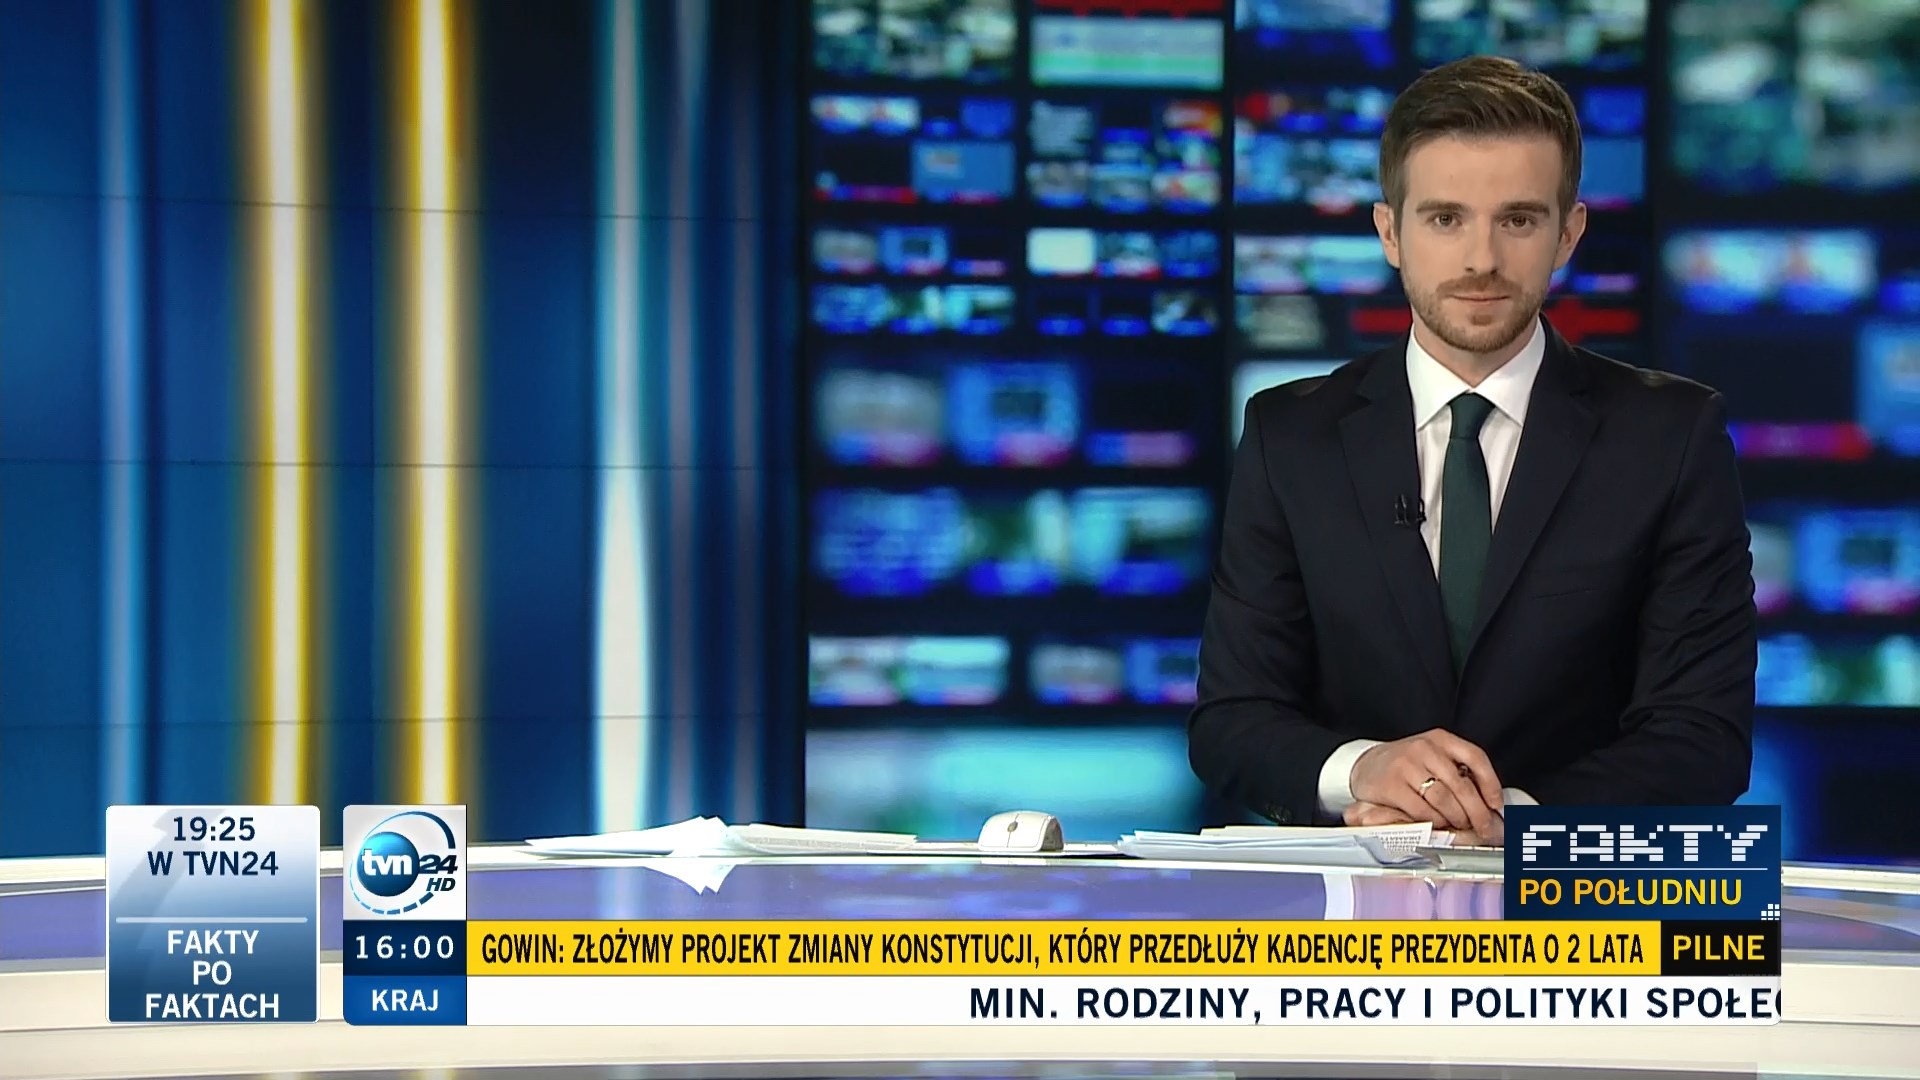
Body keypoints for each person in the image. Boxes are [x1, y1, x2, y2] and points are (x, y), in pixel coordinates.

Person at [1187, 56, 1758, 844]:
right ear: (1391, 233)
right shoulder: (1290, 438)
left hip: (1579, 897)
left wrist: (1508, 821)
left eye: (1517, 220)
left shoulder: (1671, 438)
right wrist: (1362, 770)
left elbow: (1703, 740)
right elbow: (1232, 721)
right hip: (1351, 902)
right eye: (1445, 219)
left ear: (1568, 233)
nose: (1481, 260)